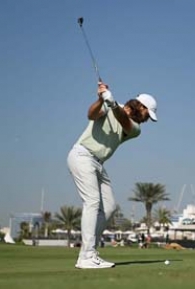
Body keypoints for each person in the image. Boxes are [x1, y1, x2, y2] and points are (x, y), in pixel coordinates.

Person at [67, 82, 158, 269]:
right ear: (140, 107)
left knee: (108, 207)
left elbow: (123, 120)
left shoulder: (135, 129)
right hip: (82, 155)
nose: (147, 120)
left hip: (98, 164)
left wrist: (113, 103)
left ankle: (86, 253)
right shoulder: (108, 108)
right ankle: (88, 256)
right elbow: (91, 114)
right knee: (92, 201)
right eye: (147, 114)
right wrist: (101, 100)